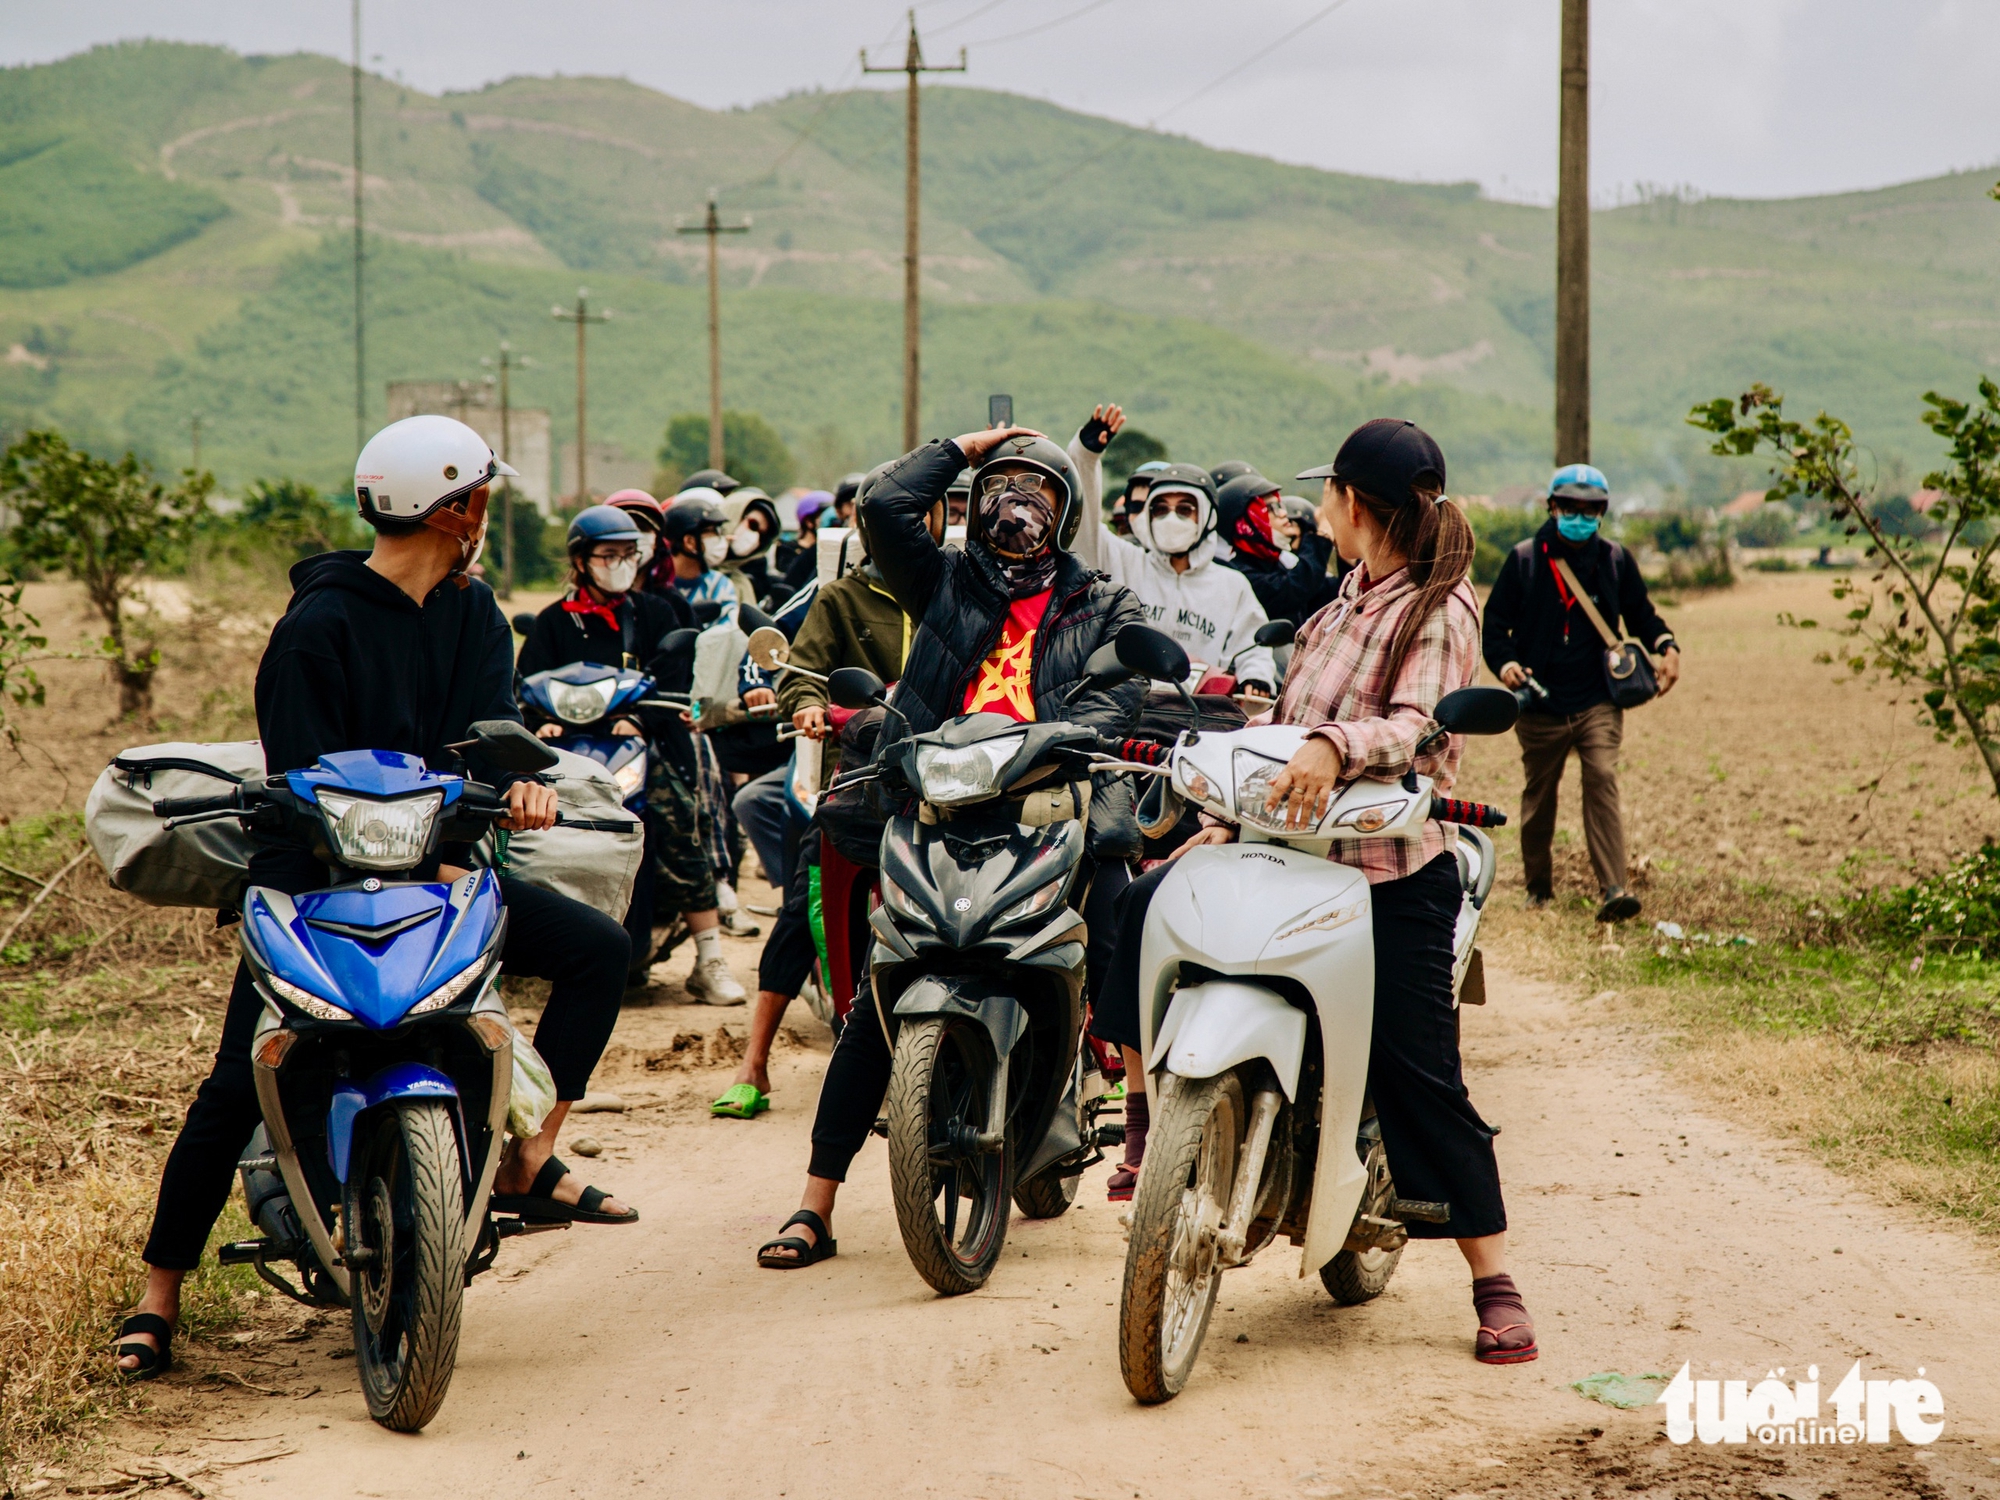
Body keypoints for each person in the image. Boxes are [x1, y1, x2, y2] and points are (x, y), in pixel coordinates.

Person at [113, 417, 637, 1380]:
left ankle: (527, 1153)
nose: (487, 512)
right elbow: (299, 778)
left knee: (600, 952)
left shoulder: (477, 616)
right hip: (311, 875)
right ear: (460, 508)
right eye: (483, 496)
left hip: (435, 866)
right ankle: (159, 1293)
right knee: (239, 1080)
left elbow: (483, 743)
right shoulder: (315, 628)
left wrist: (513, 790)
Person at [1097, 418, 1536, 1364]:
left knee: (1419, 1071)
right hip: (1284, 852)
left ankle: (1492, 1279)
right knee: (1137, 906)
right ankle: (1145, 1118)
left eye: (1328, 494)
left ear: (1354, 504)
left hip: (1387, 872)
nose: (1320, 509)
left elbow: (1415, 725)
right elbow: (1289, 725)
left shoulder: (1436, 608)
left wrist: (1337, 745)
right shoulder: (1342, 601)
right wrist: (1228, 802)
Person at [754, 424, 1147, 1268]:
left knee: (1118, 928)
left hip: (1048, 806)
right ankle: (814, 1205)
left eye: (1038, 488)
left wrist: (1053, 742)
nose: (1018, 501)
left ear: (1065, 511)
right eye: (1001, 485)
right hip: (939, 808)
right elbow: (884, 505)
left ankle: (1139, 1117)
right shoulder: (941, 581)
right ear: (971, 504)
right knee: (882, 995)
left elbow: (1121, 699)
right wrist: (965, 448)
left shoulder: (1101, 602)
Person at [713, 487, 931, 1120]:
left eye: (917, 521)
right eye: (894, 524)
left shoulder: (954, 596)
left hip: (951, 777)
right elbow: (802, 670)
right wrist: (807, 703)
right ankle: (753, 1063)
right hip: (859, 777)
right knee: (803, 904)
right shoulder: (840, 597)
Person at [516, 505, 746, 1000]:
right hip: (568, 754)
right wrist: (541, 721)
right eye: (607, 554)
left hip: (642, 748)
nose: (619, 563)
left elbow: (675, 680)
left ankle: (710, 957)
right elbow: (525, 684)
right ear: (582, 561)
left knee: (677, 819)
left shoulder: (654, 612)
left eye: (627, 554)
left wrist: (640, 719)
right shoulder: (555, 622)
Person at [1482, 463, 1680, 923]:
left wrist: (1666, 644)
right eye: (1569, 506)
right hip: (1541, 703)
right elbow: (1495, 627)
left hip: (1598, 699)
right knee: (1539, 796)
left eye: (1590, 509)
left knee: (1602, 780)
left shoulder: (1614, 560)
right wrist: (1507, 664)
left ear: (1602, 513)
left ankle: (1614, 888)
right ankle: (1538, 888)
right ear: (1552, 507)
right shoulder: (1526, 559)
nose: (1579, 515)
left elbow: (1642, 615)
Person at [1214, 470, 1341, 626]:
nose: (1282, 513)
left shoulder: (1278, 565)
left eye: (1280, 505)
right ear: (1244, 525)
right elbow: (1295, 588)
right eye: (1270, 508)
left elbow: (1329, 592)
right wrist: (1323, 534)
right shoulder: (1240, 576)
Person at [722, 487, 784, 608]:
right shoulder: (683, 568)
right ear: (733, 514)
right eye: (753, 525)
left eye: (762, 536)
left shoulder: (741, 586)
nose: (754, 537)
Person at [605, 488, 671, 595]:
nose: (634, 537)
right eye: (624, 529)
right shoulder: (576, 604)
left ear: (656, 541)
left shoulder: (669, 604)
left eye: (642, 528)